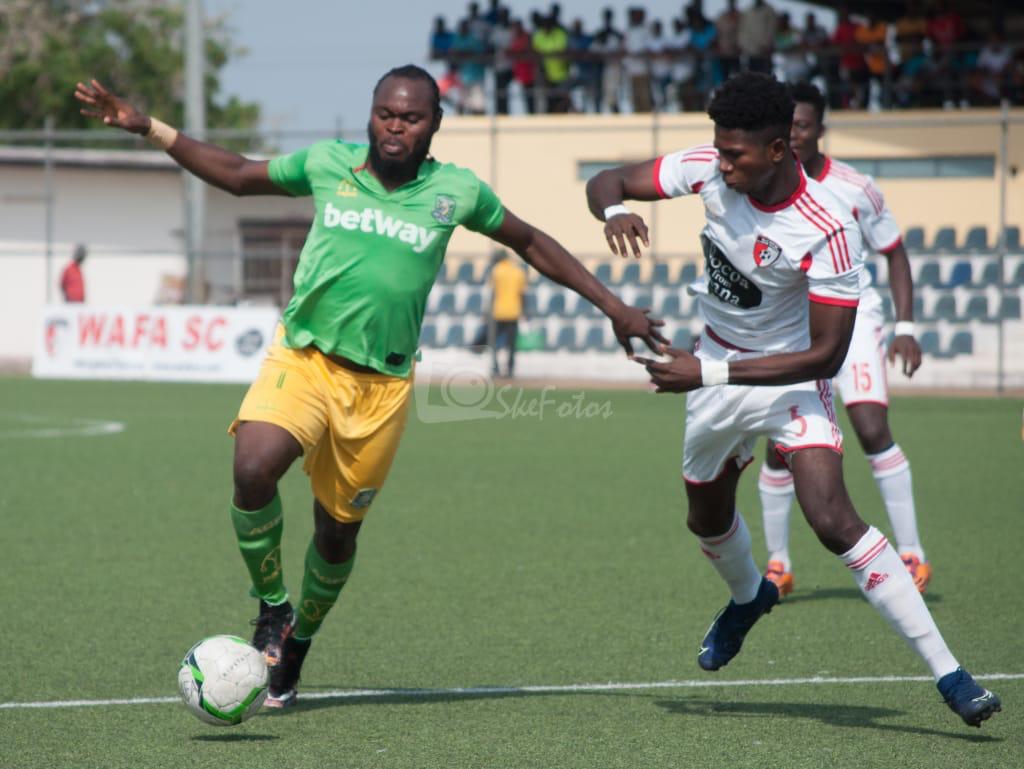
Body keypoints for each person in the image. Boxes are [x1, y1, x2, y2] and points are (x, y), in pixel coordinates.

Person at [75, 66, 664, 708]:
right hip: (303, 359)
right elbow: (239, 175)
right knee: (252, 467)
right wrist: (150, 127)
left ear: (434, 125)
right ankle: (273, 609)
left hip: (379, 390)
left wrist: (612, 304)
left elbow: (529, 241)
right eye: (385, 112)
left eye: (410, 117)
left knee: (336, 536)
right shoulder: (330, 164)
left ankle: (295, 648)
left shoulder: (456, 191)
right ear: (371, 115)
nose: (394, 125)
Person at [584, 71, 1001, 728]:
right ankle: (749, 597)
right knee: (704, 516)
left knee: (833, 518)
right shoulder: (707, 168)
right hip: (715, 371)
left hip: (785, 379)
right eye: (718, 150)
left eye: (735, 154)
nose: (720, 163)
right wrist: (615, 210)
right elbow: (605, 179)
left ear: (779, 149)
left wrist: (709, 373)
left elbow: (826, 356)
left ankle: (950, 672)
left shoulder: (827, 228)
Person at [759, 81, 928, 601]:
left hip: (852, 320)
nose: (795, 135)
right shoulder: (762, 186)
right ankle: (779, 565)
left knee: (872, 428)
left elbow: (894, 253)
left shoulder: (856, 187)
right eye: (787, 127)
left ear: (821, 130)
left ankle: (912, 554)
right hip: (791, 326)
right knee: (778, 445)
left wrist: (906, 327)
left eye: (804, 126)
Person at [489, 250, 527, 377]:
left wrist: (488, 310)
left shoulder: (496, 270)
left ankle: (495, 368)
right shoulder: (519, 271)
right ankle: (510, 369)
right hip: (514, 312)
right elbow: (522, 294)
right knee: (511, 344)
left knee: (494, 343)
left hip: (498, 311)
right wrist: (525, 311)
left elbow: (493, 292)